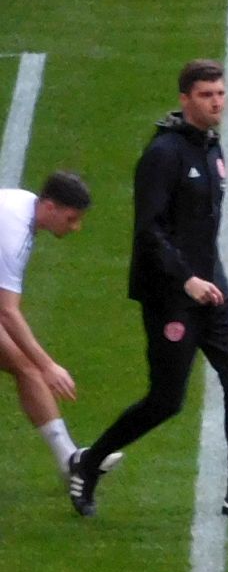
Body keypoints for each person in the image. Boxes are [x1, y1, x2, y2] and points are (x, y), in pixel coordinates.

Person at [69, 60, 228, 519]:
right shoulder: (163, 154)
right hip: (171, 292)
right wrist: (187, 280)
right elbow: (149, 231)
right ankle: (88, 464)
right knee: (166, 400)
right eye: (207, 95)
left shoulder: (211, 147)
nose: (217, 102)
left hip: (211, 287)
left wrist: (210, 279)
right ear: (186, 98)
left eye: (221, 93)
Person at [0, 171, 124, 490]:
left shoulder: (21, 210)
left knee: (24, 365)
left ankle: (70, 459)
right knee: (29, 365)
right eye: (71, 219)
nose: (75, 227)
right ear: (50, 207)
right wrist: (49, 365)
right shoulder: (14, 234)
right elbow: (8, 312)